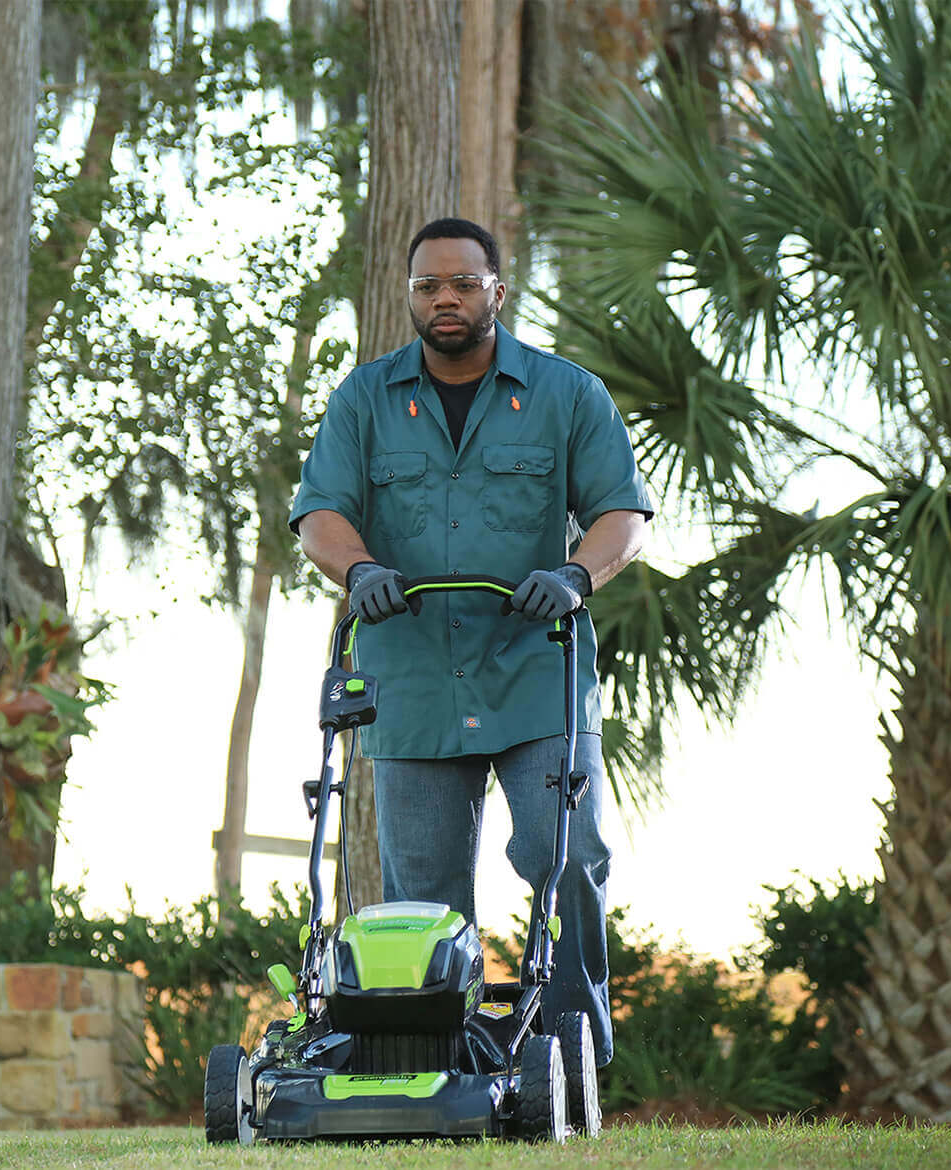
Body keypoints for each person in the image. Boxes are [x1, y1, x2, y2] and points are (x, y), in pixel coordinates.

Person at [289, 217, 652, 1067]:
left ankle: (572, 1054)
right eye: (428, 286)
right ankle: (436, 1064)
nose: (444, 299)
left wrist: (575, 576)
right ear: (410, 296)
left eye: (462, 283)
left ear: (497, 290)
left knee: (568, 856)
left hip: (537, 674)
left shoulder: (567, 394)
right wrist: (359, 569)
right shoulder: (365, 398)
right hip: (411, 680)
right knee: (424, 895)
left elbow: (622, 516)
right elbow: (320, 515)